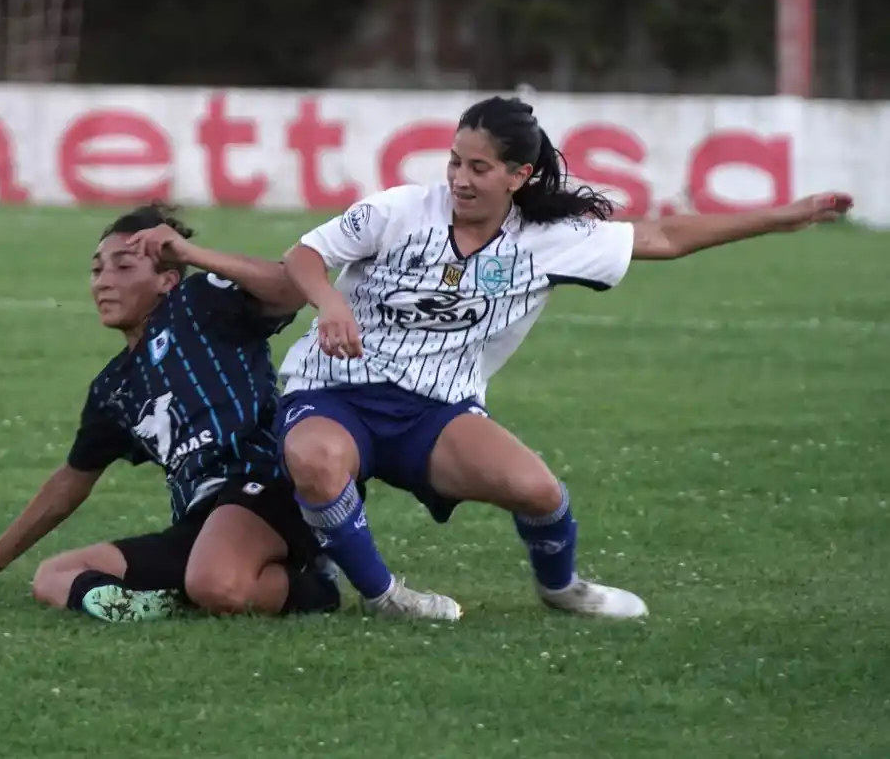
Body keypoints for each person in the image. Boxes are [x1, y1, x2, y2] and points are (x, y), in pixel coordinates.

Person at [274, 95, 854, 622]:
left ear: (518, 175)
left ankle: (562, 589)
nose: (460, 179)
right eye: (455, 162)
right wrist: (328, 302)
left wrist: (782, 217)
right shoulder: (398, 211)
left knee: (539, 493)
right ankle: (385, 598)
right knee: (315, 458)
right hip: (334, 393)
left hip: (433, 411)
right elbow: (304, 254)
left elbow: (666, 238)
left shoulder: (550, 237)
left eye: (479, 168)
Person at [0, 203, 341, 622]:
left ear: (166, 279)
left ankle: (317, 587)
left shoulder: (198, 302)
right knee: (53, 576)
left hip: (268, 483)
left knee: (216, 583)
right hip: (201, 522)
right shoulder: (114, 388)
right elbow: (73, 478)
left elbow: (290, 290)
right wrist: (0, 553)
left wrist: (191, 255)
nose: (104, 282)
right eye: (97, 271)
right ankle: (162, 602)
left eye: (123, 267)